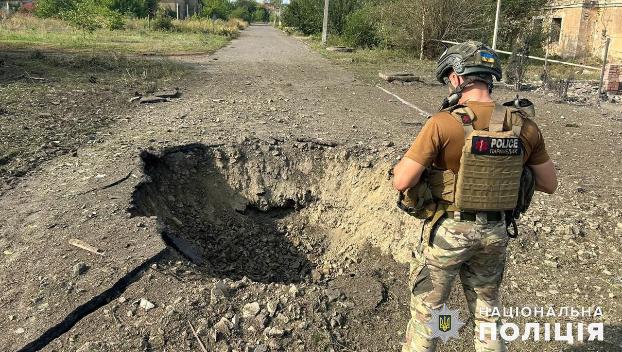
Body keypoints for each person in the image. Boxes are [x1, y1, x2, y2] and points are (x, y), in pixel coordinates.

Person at [393, 41, 557, 352]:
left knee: (428, 316)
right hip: (496, 231)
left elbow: (403, 180)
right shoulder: (524, 125)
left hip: (448, 231)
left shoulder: (442, 123)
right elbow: (549, 183)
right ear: (488, 78)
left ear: (456, 76)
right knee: (487, 315)